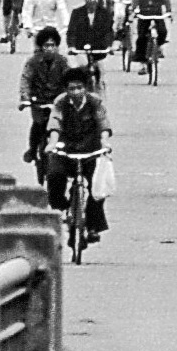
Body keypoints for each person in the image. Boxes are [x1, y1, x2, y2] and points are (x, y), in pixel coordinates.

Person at [44, 67, 113, 249]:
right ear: (66, 89)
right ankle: (62, 208)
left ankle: (93, 226)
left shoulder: (94, 102)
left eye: (79, 88)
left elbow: (103, 123)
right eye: (71, 88)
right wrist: (53, 143)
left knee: (96, 188)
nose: (75, 92)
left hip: (90, 149)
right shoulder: (61, 102)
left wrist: (104, 142)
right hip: (66, 149)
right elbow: (55, 123)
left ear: (85, 88)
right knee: (54, 175)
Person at [18, 27, 69, 172]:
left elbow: (68, 80)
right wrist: (25, 99)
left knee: (61, 126)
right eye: (46, 46)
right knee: (38, 125)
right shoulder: (33, 62)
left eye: (52, 46)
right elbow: (25, 81)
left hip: (57, 101)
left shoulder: (62, 62)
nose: (49, 49)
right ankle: (33, 150)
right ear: (41, 47)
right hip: (38, 102)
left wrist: (67, 97)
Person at [129, 0, 172, 68]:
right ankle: (142, 62)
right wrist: (134, 10)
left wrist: (169, 12)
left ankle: (158, 47)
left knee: (163, 32)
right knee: (141, 36)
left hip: (157, 12)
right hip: (143, 13)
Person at [66, 0, 115, 79]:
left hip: (99, 50)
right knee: (82, 68)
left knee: (100, 73)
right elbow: (71, 31)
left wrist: (109, 46)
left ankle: (100, 92)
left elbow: (108, 32)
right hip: (80, 49)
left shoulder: (105, 13)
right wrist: (71, 46)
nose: (92, 0)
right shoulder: (77, 13)